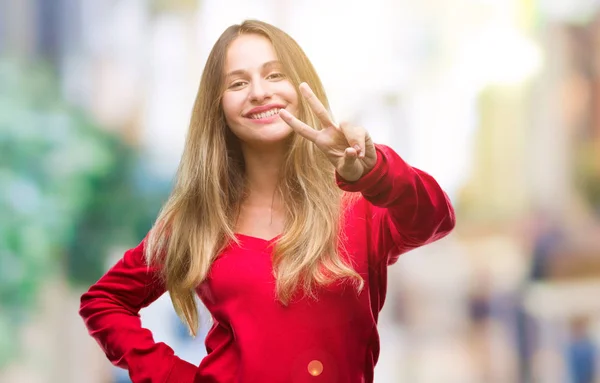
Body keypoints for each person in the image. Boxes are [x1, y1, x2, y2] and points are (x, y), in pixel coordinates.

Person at [79, 19, 456, 383]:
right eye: (238, 83)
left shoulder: (360, 200)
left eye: (275, 75)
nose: (259, 92)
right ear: (218, 108)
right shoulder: (200, 219)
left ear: (302, 84)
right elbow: (104, 302)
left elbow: (436, 218)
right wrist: (172, 375)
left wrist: (374, 170)